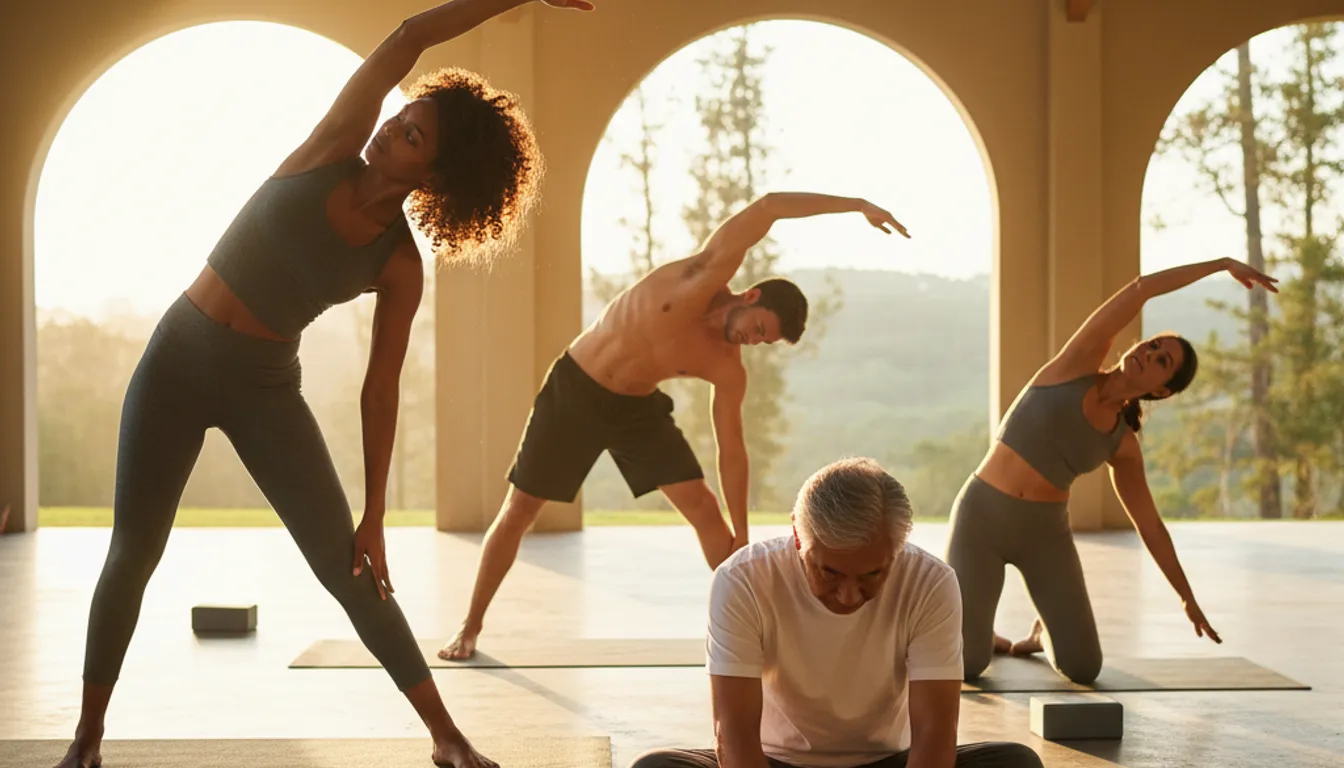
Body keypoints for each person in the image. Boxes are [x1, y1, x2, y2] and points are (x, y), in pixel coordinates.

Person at [52, 2, 595, 767]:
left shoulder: (399, 265)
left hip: (264, 387)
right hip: (177, 358)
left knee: (353, 569)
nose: (390, 128)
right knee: (133, 552)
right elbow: (410, 36)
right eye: (402, 115)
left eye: (411, 135)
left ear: (434, 174)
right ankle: (86, 738)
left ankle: (447, 738)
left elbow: (382, 390)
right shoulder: (331, 146)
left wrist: (375, 513)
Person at [439, 193, 909, 661]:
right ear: (751, 297)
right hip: (575, 391)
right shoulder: (699, 277)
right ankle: (471, 625)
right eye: (759, 327)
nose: (754, 340)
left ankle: (754, 628)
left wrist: (741, 532)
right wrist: (857, 205)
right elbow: (769, 207)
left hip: (637, 412)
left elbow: (732, 449)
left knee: (706, 510)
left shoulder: (728, 368)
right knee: (520, 509)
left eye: (764, 341)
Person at [946, 256, 1278, 685]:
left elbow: (1150, 525)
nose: (1151, 352)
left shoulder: (1122, 445)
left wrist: (1186, 597)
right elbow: (1141, 289)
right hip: (981, 520)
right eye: (1155, 346)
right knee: (969, 665)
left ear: (1160, 391)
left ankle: (1040, 633)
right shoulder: (1076, 364)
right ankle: (978, 633)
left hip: (1044, 536)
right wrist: (1219, 265)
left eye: (1162, 362)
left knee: (1084, 667)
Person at [630, 457, 1044, 768]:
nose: (848, 595)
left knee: (1016, 763)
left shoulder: (930, 582)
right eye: (829, 572)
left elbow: (935, 732)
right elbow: (733, 735)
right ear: (797, 535)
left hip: (888, 762)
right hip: (773, 762)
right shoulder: (742, 580)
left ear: (896, 549)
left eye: (872, 574)